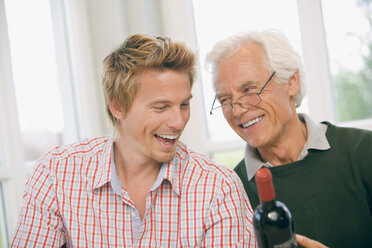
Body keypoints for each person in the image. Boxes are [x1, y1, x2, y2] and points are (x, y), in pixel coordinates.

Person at [11, 34, 255, 247]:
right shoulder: (57, 174)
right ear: (118, 106)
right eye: (160, 107)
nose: (178, 122)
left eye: (184, 104)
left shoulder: (218, 187)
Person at [206, 29, 372, 248]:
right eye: (225, 99)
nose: (236, 111)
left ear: (292, 81)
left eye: (249, 89)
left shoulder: (363, 151)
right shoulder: (229, 192)